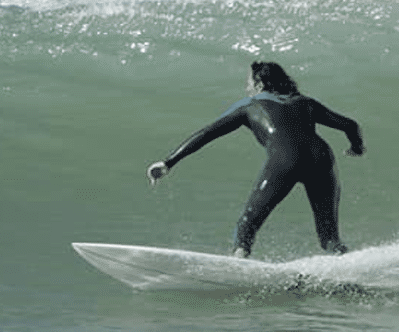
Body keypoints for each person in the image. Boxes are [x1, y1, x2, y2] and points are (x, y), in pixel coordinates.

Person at [147, 61, 365, 258]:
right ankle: (344, 264)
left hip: (286, 158)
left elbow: (206, 134)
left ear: (259, 84)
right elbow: (350, 125)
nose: (246, 88)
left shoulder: (250, 105)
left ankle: (238, 264)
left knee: (247, 224)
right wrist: (357, 147)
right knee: (328, 235)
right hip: (322, 157)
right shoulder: (305, 102)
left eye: (248, 82)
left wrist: (168, 162)